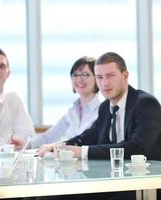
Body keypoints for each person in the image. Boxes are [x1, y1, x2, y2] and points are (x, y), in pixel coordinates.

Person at [37, 52, 161, 199]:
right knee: (47, 195)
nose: (105, 83)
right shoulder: (105, 107)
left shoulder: (145, 103)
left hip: (142, 185)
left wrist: (82, 152)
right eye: (100, 77)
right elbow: (89, 136)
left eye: (110, 76)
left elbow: (138, 147)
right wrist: (59, 146)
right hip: (112, 182)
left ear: (125, 75)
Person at [11, 56, 101, 151]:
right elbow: (50, 136)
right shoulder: (73, 110)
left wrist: (55, 147)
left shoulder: (102, 110)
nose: (79, 79)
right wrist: (26, 144)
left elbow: (85, 141)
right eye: (75, 75)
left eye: (85, 74)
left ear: (97, 78)